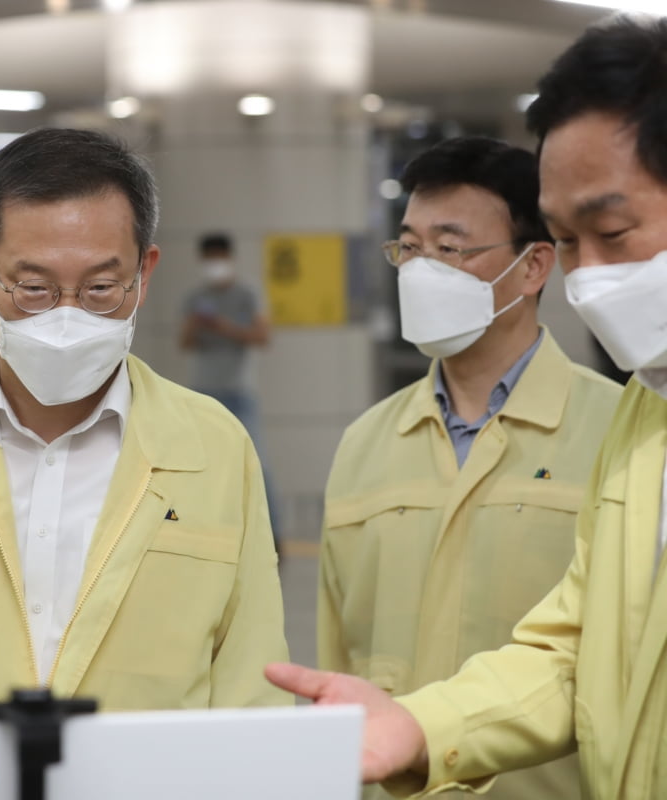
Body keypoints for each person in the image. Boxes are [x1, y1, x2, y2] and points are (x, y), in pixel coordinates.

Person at [266, 14, 667, 799]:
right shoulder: (645, 421)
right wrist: (417, 729)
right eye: (573, 242)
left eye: (613, 232)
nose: (589, 281)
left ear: (527, 269)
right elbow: (574, 652)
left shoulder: (601, 418)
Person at [0, 128, 290, 720]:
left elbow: (250, 676)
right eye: (34, 288)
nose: (67, 315)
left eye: (101, 288)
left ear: (145, 273)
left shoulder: (213, 445)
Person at [318, 136, 621, 800]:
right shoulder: (366, 443)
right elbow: (336, 659)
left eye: (449, 248)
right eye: (410, 247)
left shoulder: (619, 435)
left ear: (534, 265)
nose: (421, 270)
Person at [180, 233, 281, 539]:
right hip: (203, 391)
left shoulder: (247, 293)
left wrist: (225, 327)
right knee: (202, 466)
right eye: (209, 259)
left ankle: (271, 534)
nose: (214, 265)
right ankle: (207, 531)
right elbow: (184, 344)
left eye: (218, 258)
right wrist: (195, 325)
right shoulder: (195, 298)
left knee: (256, 465)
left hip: (238, 391)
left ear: (229, 258)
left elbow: (263, 337)